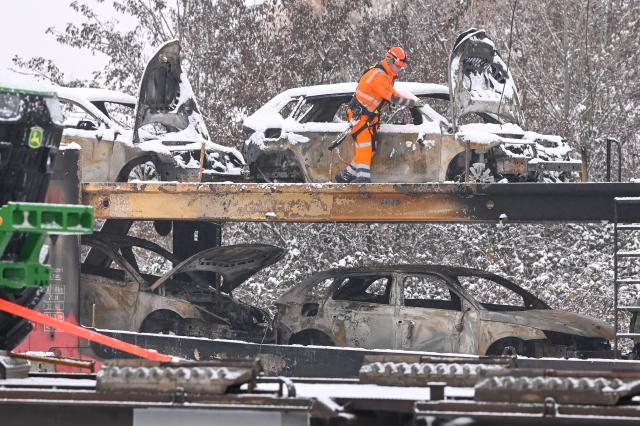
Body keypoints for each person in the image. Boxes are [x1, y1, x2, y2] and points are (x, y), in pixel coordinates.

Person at [335, 46, 420, 183]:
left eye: (401, 67)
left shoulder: (386, 74)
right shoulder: (379, 76)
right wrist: (415, 103)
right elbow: (394, 98)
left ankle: (345, 176)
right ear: (390, 61)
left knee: (371, 150)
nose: (399, 69)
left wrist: (415, 101)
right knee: (365, 149)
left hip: (369, 118)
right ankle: (364, 182)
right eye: (398, 66)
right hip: (359, 117)